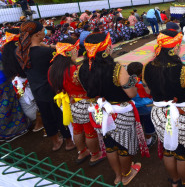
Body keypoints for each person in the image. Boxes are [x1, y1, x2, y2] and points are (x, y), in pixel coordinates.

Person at [78, 33, 146, 185]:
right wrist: (132, 83)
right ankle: (126, 174)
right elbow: (132, 93)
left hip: (99, 113)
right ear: (106, 48)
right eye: (110, 44)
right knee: (124, 146)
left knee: (110, 146)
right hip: (119, 112)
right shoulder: (117, 69)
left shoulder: (81, 69)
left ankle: (117, 176)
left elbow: (87, 91)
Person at [143, 29, 185, 187]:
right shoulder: (184, 70)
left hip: (159, 114)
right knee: (182, 151)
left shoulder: (147, 67)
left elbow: (148, 91)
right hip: (183, 114)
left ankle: (175, 180)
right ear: (175, 48)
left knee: (168, 149)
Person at [15, 21, 75, 151]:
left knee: (46, 116)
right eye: (43, 30)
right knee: (61, 115)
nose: (45, 32)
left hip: (37, 90)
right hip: (53, 88)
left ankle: (55, 142)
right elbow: (64, 62)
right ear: (37, 34)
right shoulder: (45, 52)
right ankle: (69, 142)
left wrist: (46, 46)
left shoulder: (20, 52)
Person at [48, 38, 105, 166]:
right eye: (76, 48)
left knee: (77, 129)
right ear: (70, 51)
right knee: (89, 130)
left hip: (68, 104)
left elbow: (55, 88)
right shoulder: (76, 69)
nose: (77, 50)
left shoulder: (51, 69)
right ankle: (95, 155)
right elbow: (89, 88)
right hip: (83, 103)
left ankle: (82, 152)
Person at [0, 29, 33, 141]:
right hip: (7, 82)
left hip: (10, 81)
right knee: (9, 106)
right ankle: (13, 131)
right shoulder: (16, 50)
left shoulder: (5, 50)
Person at [127, 62, 157, 149]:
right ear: (141, 73)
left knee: (137, 125)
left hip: (134, 110)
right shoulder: (146, 82)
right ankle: (148, 141)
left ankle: (137, 141)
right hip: (147, 108)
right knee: (148, 126)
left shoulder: (127, 84)